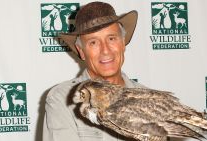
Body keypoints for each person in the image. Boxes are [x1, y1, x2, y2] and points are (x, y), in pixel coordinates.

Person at [43, 1, 146, 141]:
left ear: (123, 43)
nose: (105, 50)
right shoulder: (62, 99)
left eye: (111, 38)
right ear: (82, 51)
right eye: (93, 42)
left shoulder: (147, 99)